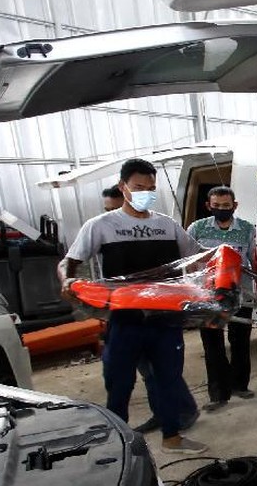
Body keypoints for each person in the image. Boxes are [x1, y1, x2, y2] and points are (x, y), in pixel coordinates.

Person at [59, 158, 208, 454]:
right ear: (123, 187)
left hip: (165, 320)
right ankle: (120, 446)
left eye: (151, 188)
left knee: (168, 379)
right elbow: (69, 262)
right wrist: (67, 281)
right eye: (138, 187)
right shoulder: (102, 226)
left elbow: (198, 258)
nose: (145, 193)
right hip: (125, 320)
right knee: (119, 382)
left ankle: (172, 437)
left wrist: (224, 262)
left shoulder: (167, 225)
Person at [98, 185, 200, 434]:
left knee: (160, 370)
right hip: (125, 312)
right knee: (146, 370)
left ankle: (182, 412)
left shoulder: (158, 230)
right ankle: (165, 414)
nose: (112, 216)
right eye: (108, 210)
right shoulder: (104, 230)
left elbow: (193, 257)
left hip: (156, 313)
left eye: (115, 209)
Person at [187, 186, 257, 411]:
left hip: (240, 294)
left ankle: (240, 385)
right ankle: (218, 394)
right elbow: (189, 261)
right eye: (216, 206)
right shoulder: (197, 228)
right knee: (213, 345)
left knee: (240, 341)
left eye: (226, 206)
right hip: (208, 296)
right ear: (208, 206)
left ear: (234, 206)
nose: (221, 209)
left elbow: (253, 260)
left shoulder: (247, 229)